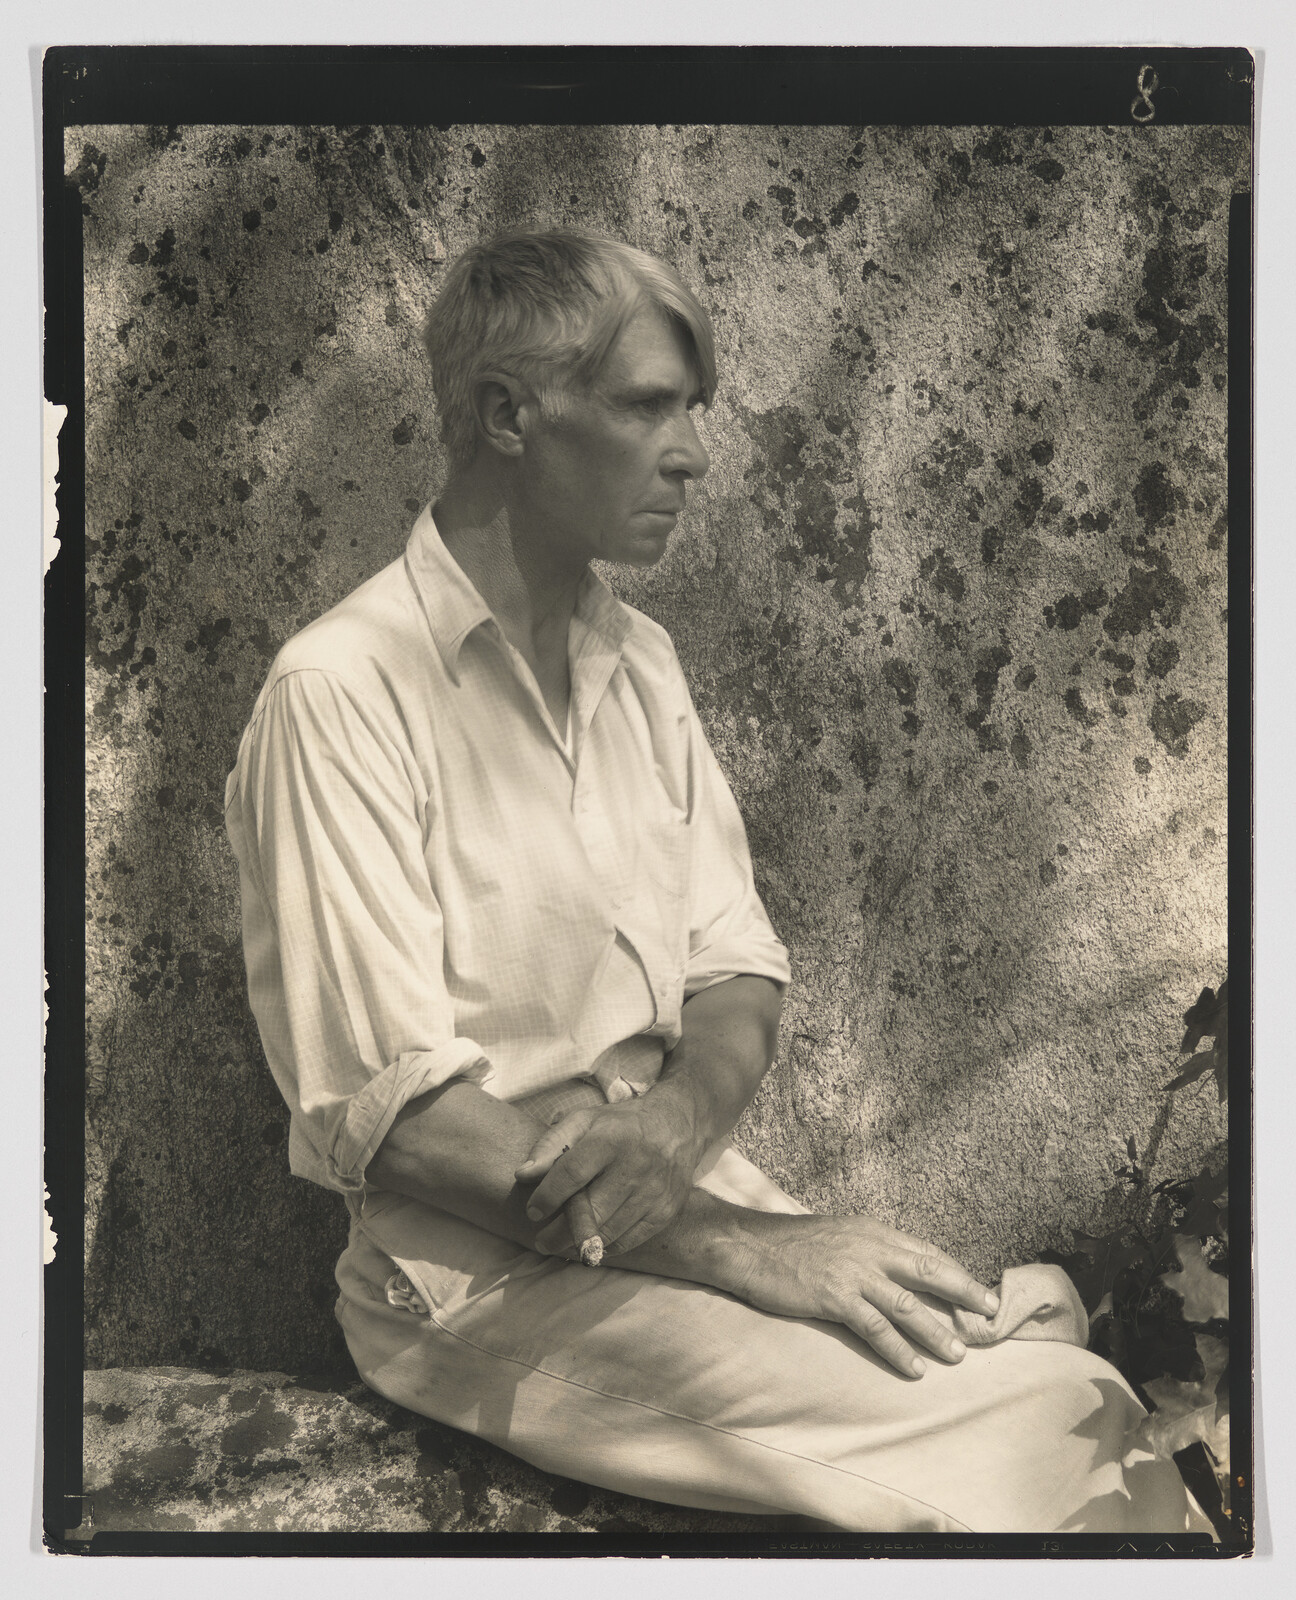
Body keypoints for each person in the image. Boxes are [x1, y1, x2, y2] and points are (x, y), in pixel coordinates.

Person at [225, 230, 1205, 1534]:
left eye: (695, 409)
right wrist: (753, 1253)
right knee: (1056, 1438)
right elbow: (399, 1120)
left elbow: (736, 967)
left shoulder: (639, 665)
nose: (690, 453)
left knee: (1049, 1360)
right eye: (645, 406)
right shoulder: (341, 692)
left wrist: (681, 1124)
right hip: (478, 1284)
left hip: (680, 1202)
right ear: (508, 415)